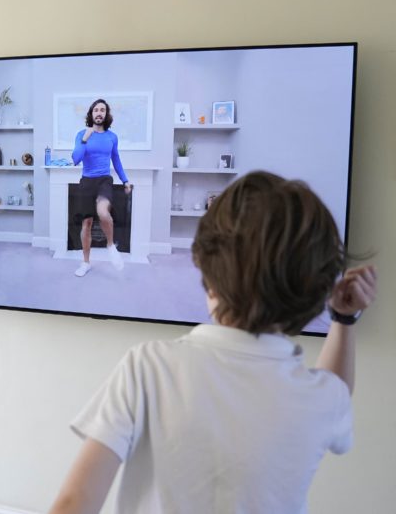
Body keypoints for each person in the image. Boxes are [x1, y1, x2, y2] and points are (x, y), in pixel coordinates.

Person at [49, 171, 377, 513]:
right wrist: (343, 319)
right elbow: (335, 391)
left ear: (204, 260)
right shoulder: (323, 397)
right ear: (316, 289)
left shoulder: (148, 367)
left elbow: (75, 502)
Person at [71, 99, 132, 277]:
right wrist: (85, 138)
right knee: (87, 223)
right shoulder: (82, 134)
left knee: (103, 212)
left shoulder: (112, 137)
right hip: (86, 181)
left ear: (106, 114)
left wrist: (125, 180)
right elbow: (75, 159)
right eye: (96, 110)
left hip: (104, 180)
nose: (99, 113)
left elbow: (116, 159)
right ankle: (85, 263)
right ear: (91, 114)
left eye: (102, 110)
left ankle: (110, 246)